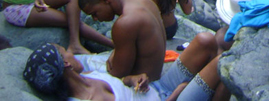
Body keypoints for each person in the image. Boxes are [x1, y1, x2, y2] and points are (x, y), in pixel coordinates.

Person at [23, 34, 230, 101]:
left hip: (157, 89)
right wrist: (176, 94)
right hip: (168, 99)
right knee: (224, 65)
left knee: (204, 40)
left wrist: (133, 78)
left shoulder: (86, 74)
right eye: (65, 51)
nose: (71, 51)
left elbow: (122, 82)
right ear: (65, 64)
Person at [78, 0, 166, 81]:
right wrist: (116, 52)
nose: (95, 19)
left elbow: (117, 74)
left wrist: (115, 58)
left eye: (94, 13)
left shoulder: (125, 23)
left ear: (105, 0)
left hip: (142, 86)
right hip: (153, 76)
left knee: (77, 72)